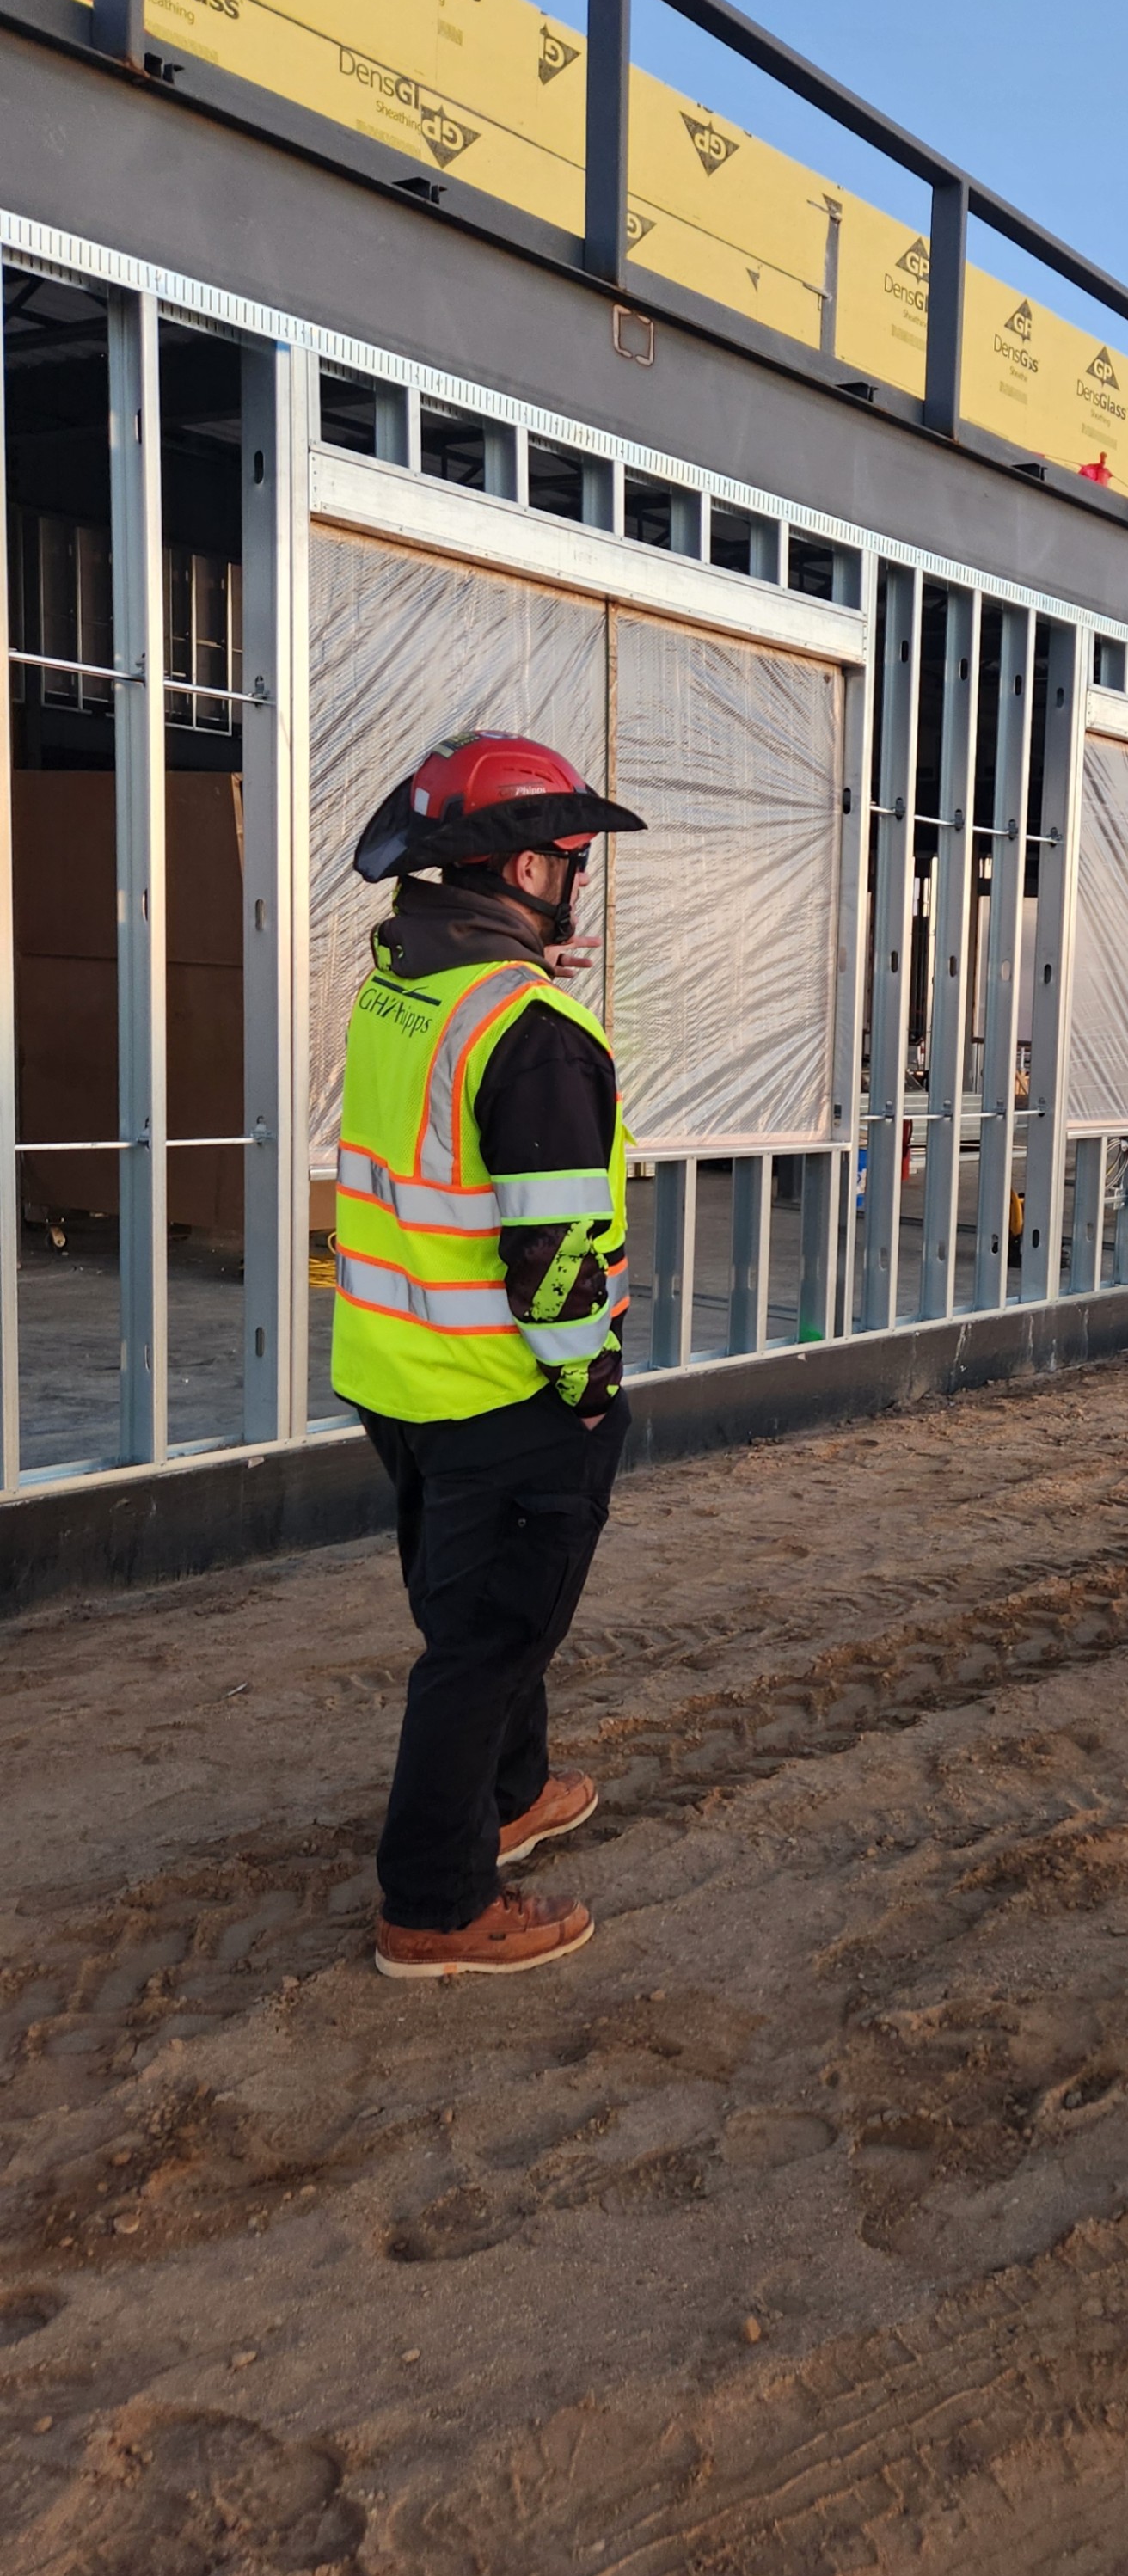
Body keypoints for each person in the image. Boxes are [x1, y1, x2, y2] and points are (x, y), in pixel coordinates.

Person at [333, 732, 646, 1980]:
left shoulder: (402, 988)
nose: (576, 879)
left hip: (400, 1381)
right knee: (489, 1641)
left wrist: (522, 978)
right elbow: (559, 1255)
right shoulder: (532, 1035)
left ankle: (511, 1797)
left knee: (479, 1613)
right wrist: (589, 1389)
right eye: (568, 859)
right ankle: (435, 1902)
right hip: (505, 1393)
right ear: (520, 865)